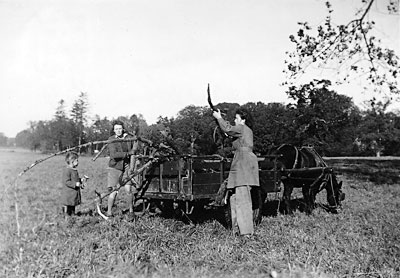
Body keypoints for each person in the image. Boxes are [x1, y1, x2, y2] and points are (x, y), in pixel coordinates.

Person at [212, 107, 259, 236]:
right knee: (235, 198)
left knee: (242, 198)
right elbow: (228, 132)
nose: (235, 120)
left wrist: (219, 118)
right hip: (241, 162)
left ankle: (247, 233)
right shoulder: (243, 131)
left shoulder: (242, 128)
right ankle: (237, 229)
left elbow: (228, 129)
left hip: (243, 164)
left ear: (243, 120)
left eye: (237, 118)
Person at [106, 120, 138, 217]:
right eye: (116, 129)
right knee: (114, 191)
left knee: (128, 189)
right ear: (114, 130)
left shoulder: (128, 138)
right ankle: (109, 212)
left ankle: (131, 212)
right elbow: (114, 155)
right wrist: (127, 154)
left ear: (123, 129)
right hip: (115, 167)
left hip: (126, 167)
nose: (118, 131)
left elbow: (134, 150)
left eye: (120, 128)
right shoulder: (111, 140)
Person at [61, 151, 88, 219]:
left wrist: (80, 180)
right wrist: (75, 184)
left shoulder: (74, 170)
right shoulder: (67, 170)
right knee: (68, 205)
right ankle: (66, 217)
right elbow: (66, 181)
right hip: (69, 193)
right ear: (72, 161)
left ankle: (72, 216)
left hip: (73, 194)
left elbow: (74, 179)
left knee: (72, 205)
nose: (78, 162)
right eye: (77, 160)